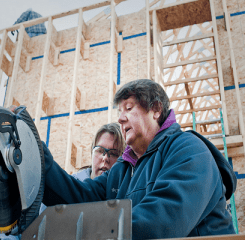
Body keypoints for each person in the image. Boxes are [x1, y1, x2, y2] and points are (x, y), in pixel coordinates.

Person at [42, 79, 237, 239]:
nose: (120, 119)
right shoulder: (121, 169)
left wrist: (96, 231)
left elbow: (162, 221)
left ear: (156, 109)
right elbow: (80, 197)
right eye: (119, 112)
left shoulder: (188, 149)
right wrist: (41, 162)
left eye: (128, 108)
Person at [0, 122, 125, 240]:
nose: (105, 158)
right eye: (100, 150)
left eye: (113, 153)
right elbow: (24, 225)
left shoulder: (122, 196)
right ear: (91, 154)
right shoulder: (62, 189)